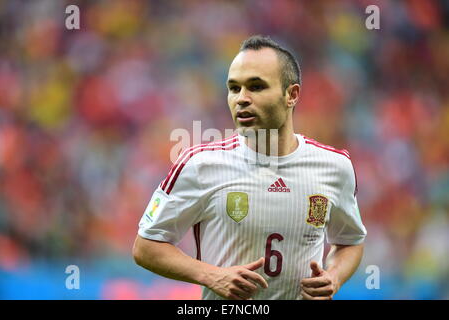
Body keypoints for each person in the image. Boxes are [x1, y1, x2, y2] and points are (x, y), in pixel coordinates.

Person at [133, 35, 367, 300]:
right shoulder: (199, 165)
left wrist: (334, 277)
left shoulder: (335, 166)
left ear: (291, 94)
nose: (241, 98)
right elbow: (146, 246)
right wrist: (212, 275)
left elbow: (350, 241)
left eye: (256, 87)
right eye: (234, 88)